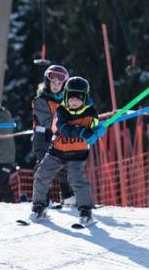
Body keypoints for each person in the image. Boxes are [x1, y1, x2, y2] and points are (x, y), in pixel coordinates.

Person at [30, 76, 101, 225]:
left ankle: (86, 212)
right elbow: (62, 128)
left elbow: (94, 125)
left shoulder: (91, 112)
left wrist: (97, 130)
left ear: (85, 98)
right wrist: (81, 131)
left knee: (77, 180)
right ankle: (39, 207)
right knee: (42, 174)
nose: (74, 102)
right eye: (71, 97)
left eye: (79, 98)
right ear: (66, 96)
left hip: (77, 153)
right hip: (57, 150)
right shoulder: (61, 110)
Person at [31, 64, 76, 206]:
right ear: (47, 82)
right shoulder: (40, 100)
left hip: (59, 137)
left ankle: (68, 196)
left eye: (59, 83)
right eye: (53, 82)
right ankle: (42, 198)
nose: (56, 85)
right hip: (43, 137)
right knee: (44, 167)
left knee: (63, 166)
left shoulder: (64, 101)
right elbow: (47, 121)